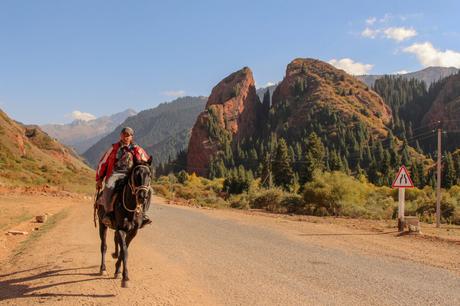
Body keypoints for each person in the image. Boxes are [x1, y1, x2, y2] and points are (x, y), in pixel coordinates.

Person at [96, 127, 152, 227]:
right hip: (116, 173)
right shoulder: (114, 148)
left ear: (131, 137)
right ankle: (108, 214)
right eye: (124, 134)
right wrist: (99, 178)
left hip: (131, 174)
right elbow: (103, 163)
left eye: (128, 135)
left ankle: (143, 214)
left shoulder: (137, 149)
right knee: (109, 186)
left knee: (149, 190)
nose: (126, 137)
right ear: (121, 135)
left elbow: (146, 162)